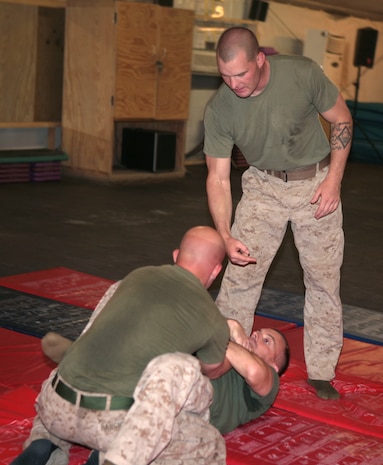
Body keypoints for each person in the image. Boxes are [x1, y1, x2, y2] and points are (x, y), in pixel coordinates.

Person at [204, 27, 353, 400]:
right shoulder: (221, 107)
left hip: (315, 183)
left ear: (259, 60)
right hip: (263, 188)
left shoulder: (301, 74)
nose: (234, 84)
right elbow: (218, 178)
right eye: (225, 76)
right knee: (239, 280)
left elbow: (342, 120)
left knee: (322, 281)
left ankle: (321, 371)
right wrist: (224, 235)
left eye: (241, 74)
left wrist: (333, 180)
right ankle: (224, 361)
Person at [10, 226, 231, 465]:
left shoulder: (137, 276)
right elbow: (212, 368)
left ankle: (45, 441)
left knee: (93, 345)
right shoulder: (212, 317)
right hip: (112, 424)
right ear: (217, 270)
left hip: (54, 408)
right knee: (208, 440)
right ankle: (112, 456)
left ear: (176, 255)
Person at [31, 319, 290, 465]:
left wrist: (231, 332)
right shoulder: (230, 353)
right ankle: (45, 444)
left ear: (274, 365)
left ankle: (96, 450)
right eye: (258, 332)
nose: (257, 335)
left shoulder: (268, 382)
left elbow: (254, 372)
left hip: (195, 408)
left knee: (172, 383)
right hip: (160, 389)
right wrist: (228, 326)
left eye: (267, 341)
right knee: (70, 378)